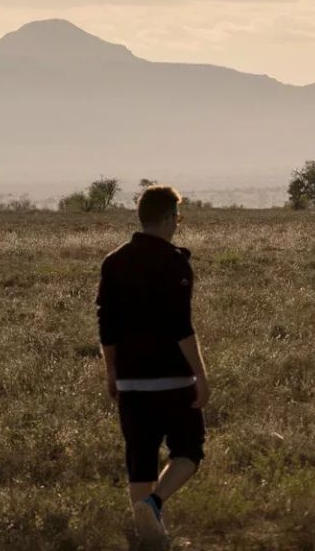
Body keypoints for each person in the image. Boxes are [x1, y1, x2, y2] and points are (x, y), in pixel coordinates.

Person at [97, 184, 209, 549]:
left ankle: (147, 535)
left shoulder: (112, 262)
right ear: (165, 218)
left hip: (130, 380)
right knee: (190, 450)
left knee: (140, 459)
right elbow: (181, 326)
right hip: (172, 379)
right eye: (177, 217)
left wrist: (111, 372)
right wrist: (201, 375)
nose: (178, 224)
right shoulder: (174, 262)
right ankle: (154, 504)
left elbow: (107, 327)